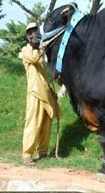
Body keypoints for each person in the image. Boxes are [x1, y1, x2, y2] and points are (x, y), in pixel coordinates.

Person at [19, 22, 62, 166]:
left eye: (35, 31)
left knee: (46, 124)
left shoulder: (41, 54)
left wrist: (52, 91)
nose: (33, 35)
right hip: (35, 93)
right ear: (27, 36)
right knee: (33, 124)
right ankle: (27, 155)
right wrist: (41, 48)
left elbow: (44, 76)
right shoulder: (26, 51)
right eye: (30, 33)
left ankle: (42, 152)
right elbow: (33, 58)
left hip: (46, 93)